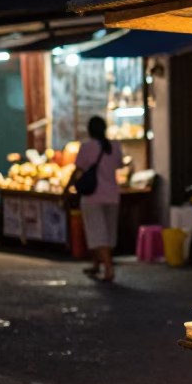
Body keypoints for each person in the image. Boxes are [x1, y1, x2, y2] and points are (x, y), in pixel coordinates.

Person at [74, 116, 123, 282]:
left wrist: (70, 188)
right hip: (112, 195)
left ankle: (108, 269)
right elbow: (120, 165)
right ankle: (96, 265)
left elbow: (79, 169)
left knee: (97, 233)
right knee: (108, 233)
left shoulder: (87, 147)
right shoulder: (115, 146)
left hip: (92, 196)